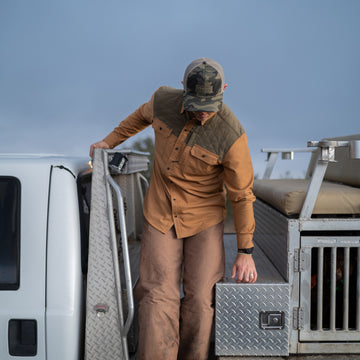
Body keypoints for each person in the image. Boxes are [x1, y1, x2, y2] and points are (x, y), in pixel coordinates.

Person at [90, 58, 257, 360]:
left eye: (210, 104)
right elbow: (137, 119)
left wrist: (245, 252)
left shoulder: (232, 135)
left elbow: (242, 195)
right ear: (183, 89)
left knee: (200, 298)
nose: (203, 112)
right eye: (196, 104)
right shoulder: (163, 101)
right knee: (157, 294)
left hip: (204, 216)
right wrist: (108, 141)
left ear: (225, 90)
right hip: (161, 210)